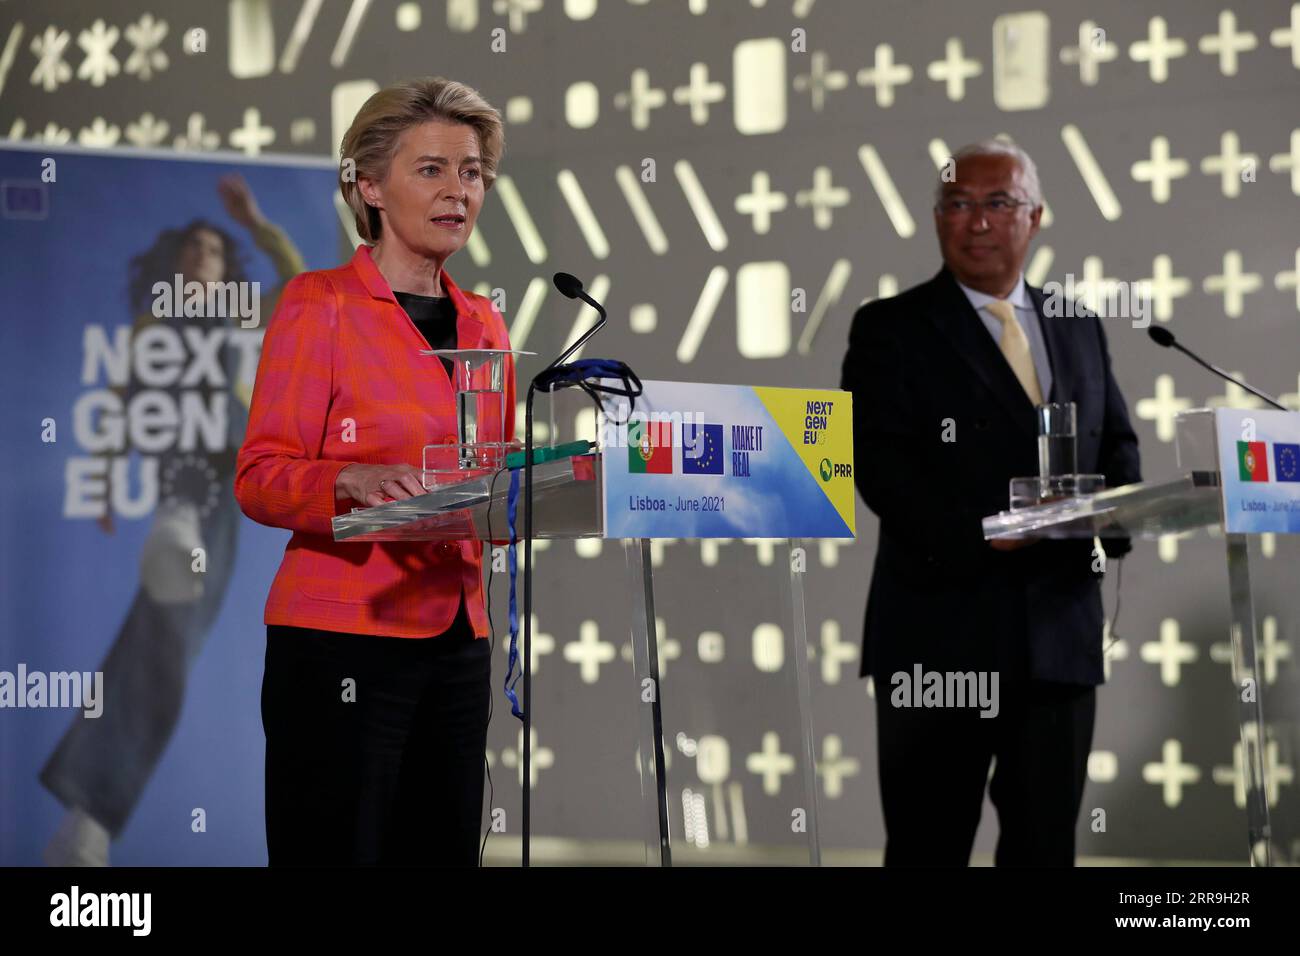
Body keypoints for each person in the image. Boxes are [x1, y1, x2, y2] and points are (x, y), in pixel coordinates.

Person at [234, 76, 514, 866]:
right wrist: (344, 481)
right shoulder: (318, 304)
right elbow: (260, 475)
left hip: (457, 638)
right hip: (340, 643)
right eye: (431, 169)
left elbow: (489, 472)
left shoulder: (486, 321)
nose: (458, 190)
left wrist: (538, 483)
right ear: (368, 186)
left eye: (472, 172)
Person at [840, 139, 1141, 866]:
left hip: (1058, 637)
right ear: (937, 219)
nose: (976, 221)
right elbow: (879, 467)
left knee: (1045, 850)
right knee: (927, 846)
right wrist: (986, 530)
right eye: (957, 204)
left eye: (997, 203)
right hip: (940, 636)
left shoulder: (1075, 322)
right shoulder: (891, 328)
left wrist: (1116, 516)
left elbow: (1118, 445)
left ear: (1034, 217)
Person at [41, 176, 305, 866]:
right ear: (175, 261)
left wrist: (254, 221)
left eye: (214, 249)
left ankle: (87, 810)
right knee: (165, 640)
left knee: (164, 642)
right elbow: (122, 407)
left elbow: (296, 279)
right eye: (192, 247)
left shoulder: (238, 314)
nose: (201, 255)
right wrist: (100, 480)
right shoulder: (151, 327)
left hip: (223, 475)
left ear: (226, 266)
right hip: (177, 464)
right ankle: (90, 812)